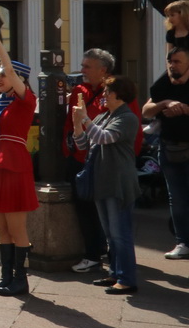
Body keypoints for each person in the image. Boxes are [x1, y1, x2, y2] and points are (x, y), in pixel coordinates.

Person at [63, 49, 143, 272]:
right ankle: (106, 264)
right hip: (88, 163)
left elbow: (108, 136)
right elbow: (79, 136)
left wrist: (84, 120)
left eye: (87, 66)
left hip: (114, 170)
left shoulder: (123, 108)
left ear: (103, 70)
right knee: (99, 220)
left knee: (117, 229)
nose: (82, 70)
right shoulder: (83, 93)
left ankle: (121, 274)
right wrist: (76, 134)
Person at [0, 31, 38, 297]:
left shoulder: (26, 101)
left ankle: (21, 280)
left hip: (14, 165)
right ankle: (5, 278)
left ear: (18, 78)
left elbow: (12, 74)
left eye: (4, 74)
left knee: (17, 230)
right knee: (1, 229)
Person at [72, 75, 141, 295]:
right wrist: (77, 124)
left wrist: (86, 120)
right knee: (111, 235)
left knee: (120, 233)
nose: (104, 95)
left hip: (118, 183)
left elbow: (103, 138)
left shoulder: (127, 118)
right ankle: (115, 273)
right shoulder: (105, 115)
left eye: (108, 91)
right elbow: (84, 144)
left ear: (119, 95)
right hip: (103, 182)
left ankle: (127, 279)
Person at [142, 46, 189, 259]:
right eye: (170, 61)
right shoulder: (163, 83)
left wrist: (184, 108)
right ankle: (183, 242)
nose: (172, 65)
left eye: (177, 61)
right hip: (170, 148)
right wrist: (165, 103)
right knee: (177, 198)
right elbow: (146, 111)